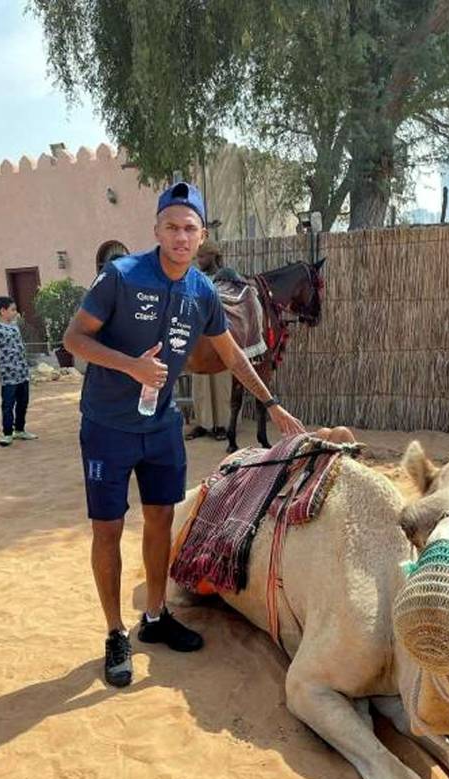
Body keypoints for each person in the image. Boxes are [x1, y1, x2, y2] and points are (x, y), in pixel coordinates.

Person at [62, 181, 305, 687]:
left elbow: (232, 354)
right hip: (108, 427)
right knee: (107, 529)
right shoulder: (121, 277)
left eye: (189, 229)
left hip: (162, 427)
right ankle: (114, 634)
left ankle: (154, 616)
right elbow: (73, 339)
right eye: (171, 227)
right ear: (156, 230)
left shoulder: (201, 291)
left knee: (160, 521)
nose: (180, 236)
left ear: (201, 237)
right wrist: (130, 366)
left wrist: (272, 404)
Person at [185, 238, 230, 441]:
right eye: (198, 257)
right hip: (199, 339)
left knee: (221, 381)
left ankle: (222, 425)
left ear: (213, 255)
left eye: (202, 256)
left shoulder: (226, 278)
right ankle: (203, 423)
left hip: (221, 337)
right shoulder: (194, 278)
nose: (199, 260)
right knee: (201, 381)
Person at [0, 296, 39, 447]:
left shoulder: (15, 327)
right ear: (2, 311)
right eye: (13, 310)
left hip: (22, 372)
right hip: (8, 374)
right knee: (8, 404)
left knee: (23, 402)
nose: (16, 313)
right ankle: (7, 434)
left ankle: (20, 430)